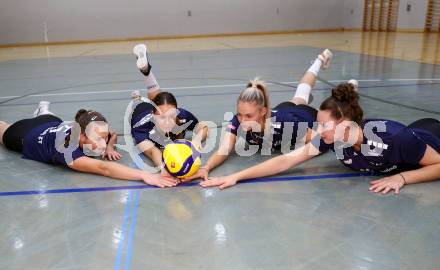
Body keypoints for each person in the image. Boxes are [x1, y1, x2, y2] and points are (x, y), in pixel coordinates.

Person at [201, 83, 440, 194]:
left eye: (324, 125)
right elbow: (286, 161)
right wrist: (235, 176)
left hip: (430, 135)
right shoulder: (332, 138)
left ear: (345, 123)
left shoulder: (395, 138)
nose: (319, 131)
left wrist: (402, 178)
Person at [184, 49, 334, 182]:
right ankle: (320, 60)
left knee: (302, 97)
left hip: (303, 116)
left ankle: (344, 84)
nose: (242, 120)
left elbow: (319, 141)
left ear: (262, 112)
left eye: (248, 116)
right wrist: (206, 167)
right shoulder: (238, 120)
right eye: (240, 114)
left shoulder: (287, 125)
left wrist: (299, 154)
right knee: (300, 95)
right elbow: (223, 149)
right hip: (283, 109)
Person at [0, 101, 177, 188]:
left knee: (48, 117)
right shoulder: (68, 152)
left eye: (104, 137)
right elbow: (104, 168)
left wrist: (108, 146)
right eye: (99, 139)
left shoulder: (97, 132)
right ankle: (41, 112)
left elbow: (112, 135)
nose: (103, 141)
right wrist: (145, 175)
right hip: (24, 134)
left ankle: (43, 112)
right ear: (82, 137)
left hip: (52, 121)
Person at [130, 44, 208, 176]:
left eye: (171, 116)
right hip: (140, 111)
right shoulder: (142, 128)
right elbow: (152, 152)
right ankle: (137, 98)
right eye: (161, 118)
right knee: (140, 103)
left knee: (160, 101)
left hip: (157, 109)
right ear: (153, 116)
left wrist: (195, 142)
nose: (167, 122)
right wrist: (163, 169)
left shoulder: (182, 115)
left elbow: (204, 127)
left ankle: (146, 72)